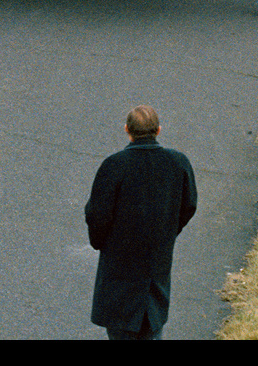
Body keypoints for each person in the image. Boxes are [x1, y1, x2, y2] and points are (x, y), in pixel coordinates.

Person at [85, 105, 198, 340]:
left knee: (121, 328)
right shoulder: (178, 163)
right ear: (158, 130)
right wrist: (167, 231)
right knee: (152, 325)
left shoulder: (114, 166)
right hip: (156, 265)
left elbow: (97, 214)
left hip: (119, 268)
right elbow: (189, 205)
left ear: (127, 130)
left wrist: (101, 243)